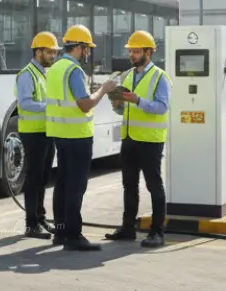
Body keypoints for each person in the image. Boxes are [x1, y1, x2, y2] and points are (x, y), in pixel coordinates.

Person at [46, 24, 118, 251]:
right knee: (76, 187)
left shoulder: (56, 68)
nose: (88, 53)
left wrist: (91, 90)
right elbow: (85, 104)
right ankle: (74, 236)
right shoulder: (74, 71)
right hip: (77, 137)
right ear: (78, 47)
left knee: (62, 184)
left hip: (60, 134)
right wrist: (103, 90)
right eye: (86, 48)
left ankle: (60, 232)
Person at [105, 30, 172, 248]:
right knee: (129, 186)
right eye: (130, 51)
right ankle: (127, 228)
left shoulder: (160, 77)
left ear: (148, 52)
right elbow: (125, 110)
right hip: (129, 139)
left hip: (150, 141)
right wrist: (118, 105)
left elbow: (161, 107)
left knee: (154, 186)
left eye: (136, 51)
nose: (131, 55)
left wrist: (137, 100)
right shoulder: (128, 76)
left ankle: (157, 232)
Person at [15, 31, 60, 239]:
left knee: (43, 178)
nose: (53, 55)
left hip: (46, 132)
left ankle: (40, 218)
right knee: (33, 179)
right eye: (50, 52)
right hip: (33, 134)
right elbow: (24, 103)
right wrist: (49, 106)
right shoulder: (27, 74)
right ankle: (31, 224)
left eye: (54, 52)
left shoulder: (44, 73)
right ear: (38, 51)